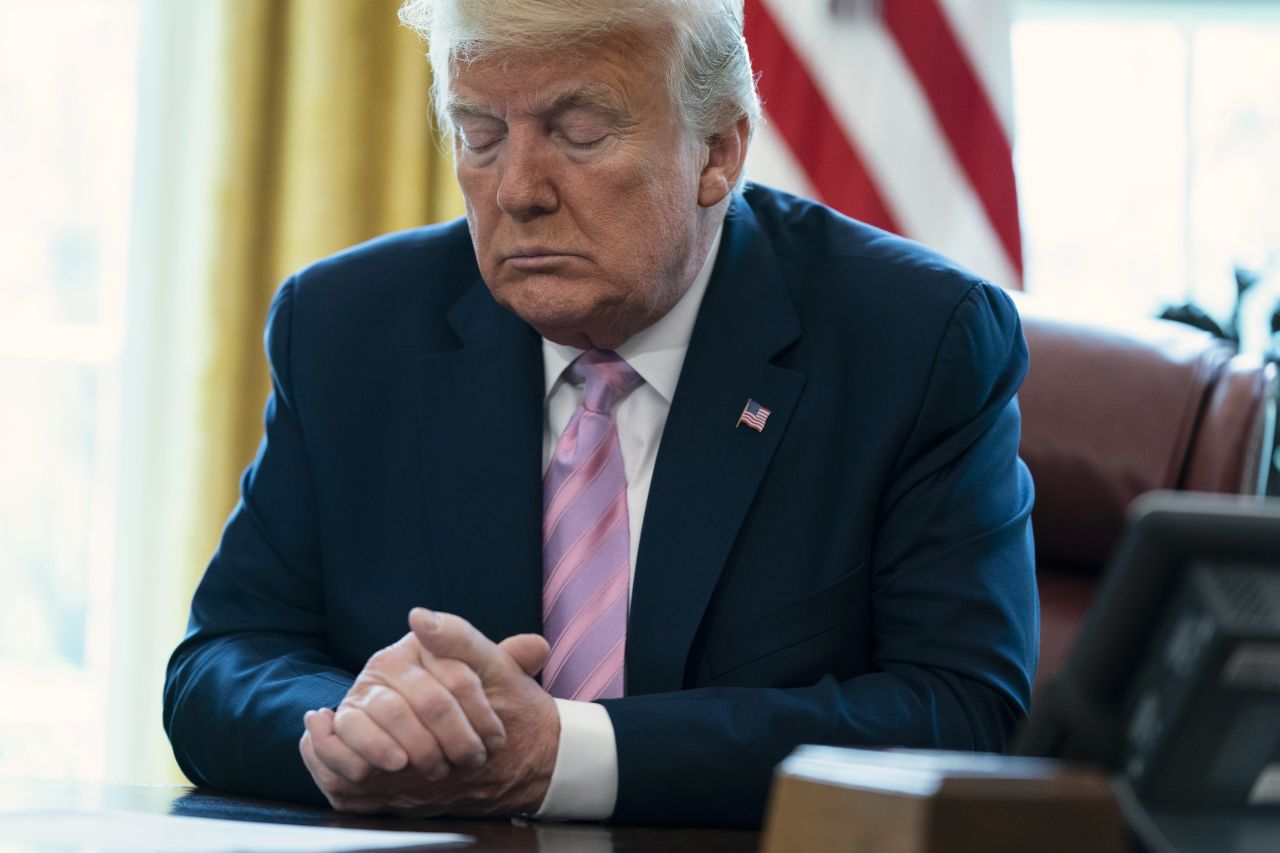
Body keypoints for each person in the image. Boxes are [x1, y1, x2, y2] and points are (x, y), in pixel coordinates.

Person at [163, 0, 1037, 828]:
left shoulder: (915, 342)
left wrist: (566, 754)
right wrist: (362, 725)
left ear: (717, 153)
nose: (517, 190)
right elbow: (220, 663)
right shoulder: (347, 328)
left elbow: (958, 708)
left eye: (579, 135)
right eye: (481, 135)